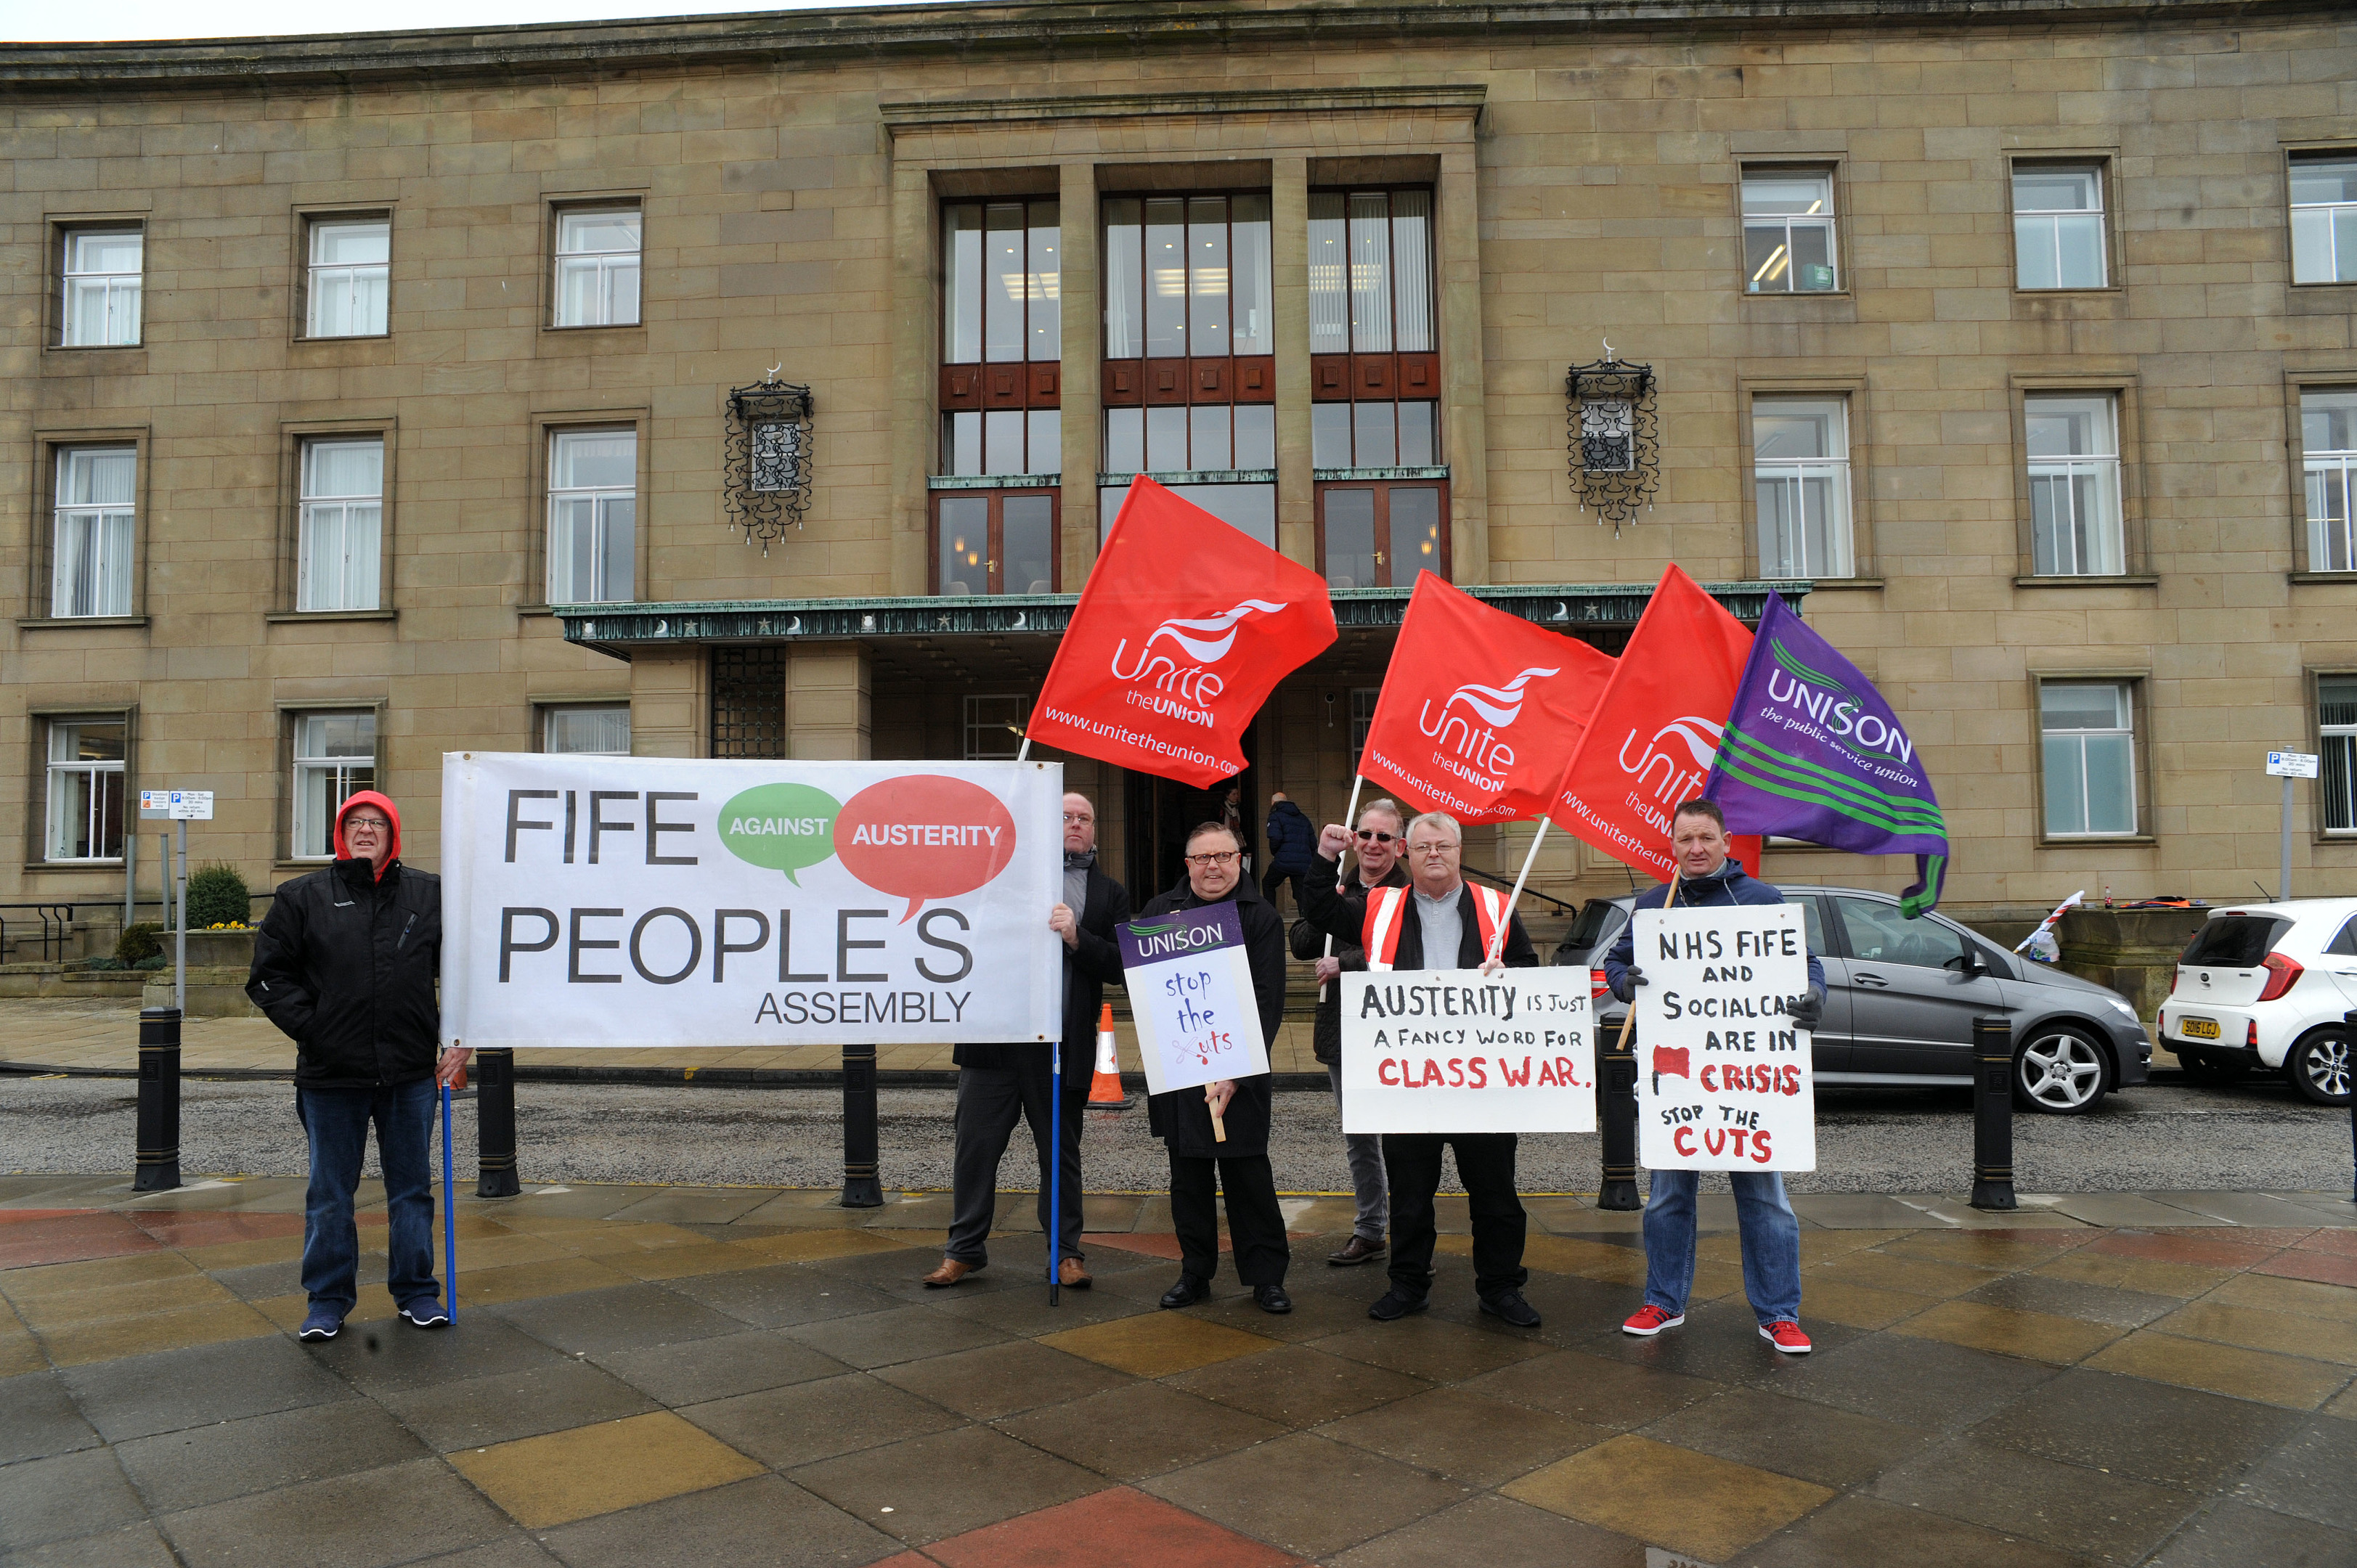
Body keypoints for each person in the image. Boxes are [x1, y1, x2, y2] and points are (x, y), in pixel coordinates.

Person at [1300, 809, 1544, 1327]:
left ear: (1460, 852)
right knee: (1410, 1194)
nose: (1435, 855)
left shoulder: (1496, 907)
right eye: (1424, 846)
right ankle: (1408, 1285)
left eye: (1445, 846)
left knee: (1497, 1195)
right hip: (1408, 1082)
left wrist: (1511, 976)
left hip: (1482, 1081)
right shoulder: (1377, 905)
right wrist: (1325, 856)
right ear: (1406, 854)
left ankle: (1501, 1288)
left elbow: (1527, 970)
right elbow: (1318, 910)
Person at [1602, 797, 1827, 1355]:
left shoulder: (1762, 900)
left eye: (1706, 838)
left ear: (1727, 842)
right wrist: (1626, 982)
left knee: (1765, 1199)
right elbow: (1614, 966)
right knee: (1668, 1197)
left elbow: (1809, 964)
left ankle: (1779, 1313)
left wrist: (1813, 997)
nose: (1696, 849)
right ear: (1672, 845)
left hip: (1749, 1076)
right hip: (1676, 1077)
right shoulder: (1655, 906)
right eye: (1685, 840)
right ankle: (1664, 1300)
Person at [246, 791, 468, 1342]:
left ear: (394, 836)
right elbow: (269, 978)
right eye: (356, 823)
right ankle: (327, 1301)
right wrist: (317, 1029)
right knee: (329, 1194)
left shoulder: (429, 895)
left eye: (377, 823)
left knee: (412, 1190)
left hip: (410, 1074)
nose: (366, 830)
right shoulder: (302, 897)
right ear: (340, 835)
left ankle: (417, 1292)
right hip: (330, 1078)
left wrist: (464, 1038)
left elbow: (467, 970)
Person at [926, 793, 1131, 1291]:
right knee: (975, 1150)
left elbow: (1125, 965)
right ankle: (964, 1250)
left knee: (1060, 1155)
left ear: (1095, 831)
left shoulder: (1108, 893)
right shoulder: (999, 877)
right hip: (992, 1043)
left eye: (1085, 818)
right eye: (1066, 817)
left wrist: (1079, 938)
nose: (1076, 825)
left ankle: (1065, 1254)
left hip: (1061, 1048)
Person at [1140, 821, 1293, 1315]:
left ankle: (1267, 1278)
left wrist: (1237, 1072)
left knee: (1248, 1180)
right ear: (1187, 865)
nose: (1213, 866)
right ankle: (1195, 1272)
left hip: (1238, 1076)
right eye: (1203, 858)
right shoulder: (1160, 912)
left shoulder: (1261, 917)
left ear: (1240, 860)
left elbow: (1269, 1002)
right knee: (1189, 1182)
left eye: (1223, 857)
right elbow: (1142, 984)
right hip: (1181, 1072)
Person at [1287, 796, 1408, 1267]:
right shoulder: (1337, 886)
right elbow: (1300, 942)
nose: (1373, 844)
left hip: (1393, 1030)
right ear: (1353, 839)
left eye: (1384, 837)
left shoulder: (1409, 892)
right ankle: (1370, 1228)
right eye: (1365, 835)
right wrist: (1328, 912)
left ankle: (1412, 1235)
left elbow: (1403, 955)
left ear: (1399, 847)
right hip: (1342, 1029)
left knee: (1401, 1138)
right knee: (1359, 1136)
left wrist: (1347, 963)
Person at [1261, 790, 1316, 912]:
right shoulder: (1303, 818)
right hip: (1303, 863)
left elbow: (1275, 838)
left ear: (1274, 803)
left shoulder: (1275, 816)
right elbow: (1313, 842)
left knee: (1268, 883)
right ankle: (1306, 924)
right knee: (1301, 894)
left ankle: (1270, 915)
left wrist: (1276, 853)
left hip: (1283, 862)